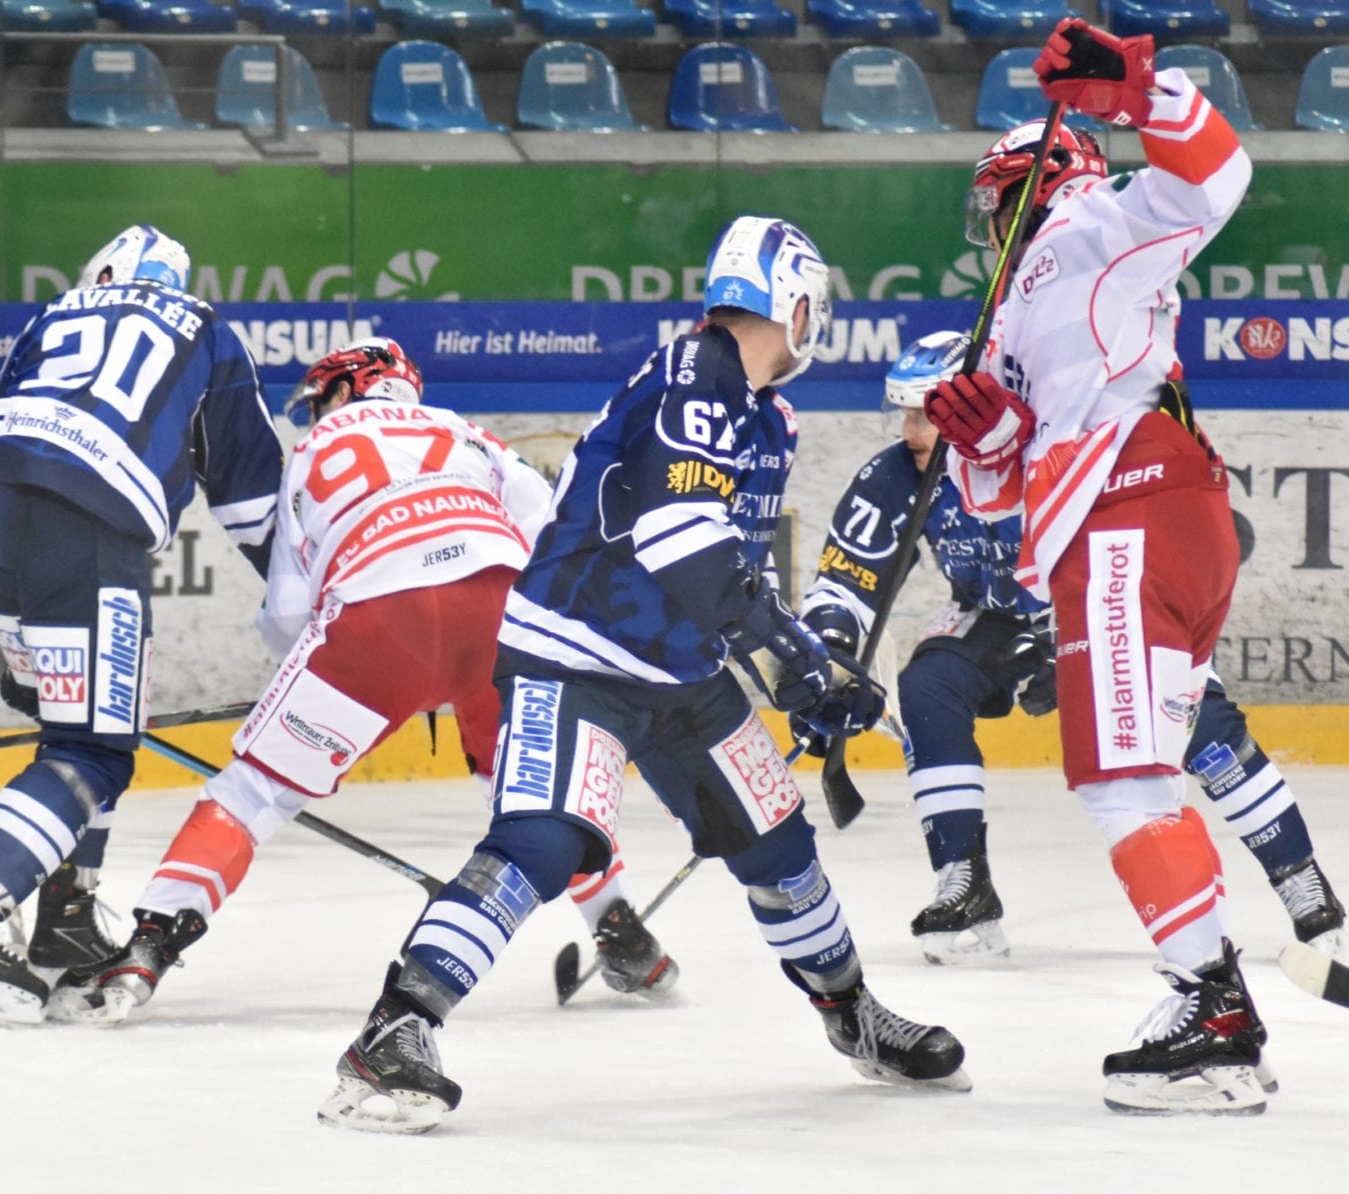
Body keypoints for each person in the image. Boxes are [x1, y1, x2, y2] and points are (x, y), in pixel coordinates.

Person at [317, 216, 967, 1136]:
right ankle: (394, 1032)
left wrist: (811, 663)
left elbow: (740, 567)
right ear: (792, 301)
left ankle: (850, 1013)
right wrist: (794, 663)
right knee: (542, 843)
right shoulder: (694, 373)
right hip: (573, 656)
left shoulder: (765, 416)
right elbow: (682, 541)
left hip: (680, 672)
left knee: (781, 849)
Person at [49, 339, 675, 1024]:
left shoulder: (312, 455)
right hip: (500, 614)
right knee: (532, 787)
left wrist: (338, 684)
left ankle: (147, 949)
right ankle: (623, 934)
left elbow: (289, 613)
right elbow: (549, 529)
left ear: (348, 387)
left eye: (320, 400)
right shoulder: (464, 431)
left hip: (378, 621)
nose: (316, 413)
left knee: (253, 793)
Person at [919, 17, 1307, 1113]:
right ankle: (1212, 999)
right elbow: (995, 495)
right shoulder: (1006, 322)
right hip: (1137, 521)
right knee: (1130, 772)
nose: (985, 225)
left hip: (1130, 516)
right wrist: (985, 437)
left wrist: (1136, 94)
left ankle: (1210, 1012)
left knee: (1118, 776)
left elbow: (1213, 178)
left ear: (1028, 188)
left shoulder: (1085, 223)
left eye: (995, 201)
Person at [799, 331, 1347, 968]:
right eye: (905, 413)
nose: (912, 430)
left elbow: (1126, 547)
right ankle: (963, 882)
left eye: (927, 412)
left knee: (1203, 725)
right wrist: (830, 653)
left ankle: (1302, 883)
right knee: (928, 687)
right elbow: (844, 578)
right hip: (997, 618)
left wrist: (1062, 639)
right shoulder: (895, 474)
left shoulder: (1049, 453)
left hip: (1105, 601)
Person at [0, 225, 286, 1027]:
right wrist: (314, 613)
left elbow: (5, 416)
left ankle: (67, 915)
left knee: (67, 724)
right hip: (89, 520)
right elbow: (254, 505)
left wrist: (24, 655)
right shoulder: (205, 328)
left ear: (105, 271)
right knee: (93, 752)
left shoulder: (58, 310)